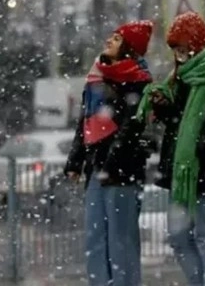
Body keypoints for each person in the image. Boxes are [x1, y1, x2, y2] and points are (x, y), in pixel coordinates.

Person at [136, 11, 205, 286]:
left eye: (183, 48)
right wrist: (164, 107)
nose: (179, 55)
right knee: (178, 236)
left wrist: (199, 146)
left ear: (195, 43)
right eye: (175, 50)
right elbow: (179, 121)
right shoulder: (183, 76)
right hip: (182, 173)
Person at [64, 20, 154, 286]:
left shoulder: (138, 82)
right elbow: (85, 122)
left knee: (121, 240)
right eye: (111, 36)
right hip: (96, 168)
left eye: (116, 39)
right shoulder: (96, 77)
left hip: (123, 171)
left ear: (129, 48)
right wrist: (75, 161)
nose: (109, 41)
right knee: (95, 237)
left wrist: (112, 163)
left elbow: (131, 127)